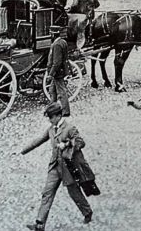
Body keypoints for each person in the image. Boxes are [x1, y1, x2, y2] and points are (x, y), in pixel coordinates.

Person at [22, 102, 94, 230]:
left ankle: (87, 212)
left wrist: (66, 144)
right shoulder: (51, 129)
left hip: (68, 167)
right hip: (55, 166)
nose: (50, 120)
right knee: (47, 193)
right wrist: (22, 151)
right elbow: (38, 140)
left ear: (58, 116)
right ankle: (39, 224)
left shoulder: (69, 128)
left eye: (51, 117)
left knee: (74, 193)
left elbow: (80, 142)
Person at [46, 26, 72, 117]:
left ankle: (65, 112)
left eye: (50, 33)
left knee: (61, 92)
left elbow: (57, 62)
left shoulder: (56, 44)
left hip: (57, 72)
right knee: (52, 90)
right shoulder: (63, 41)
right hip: (60, 71)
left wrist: (51, 74)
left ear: (53, 34)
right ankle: (51, 109)